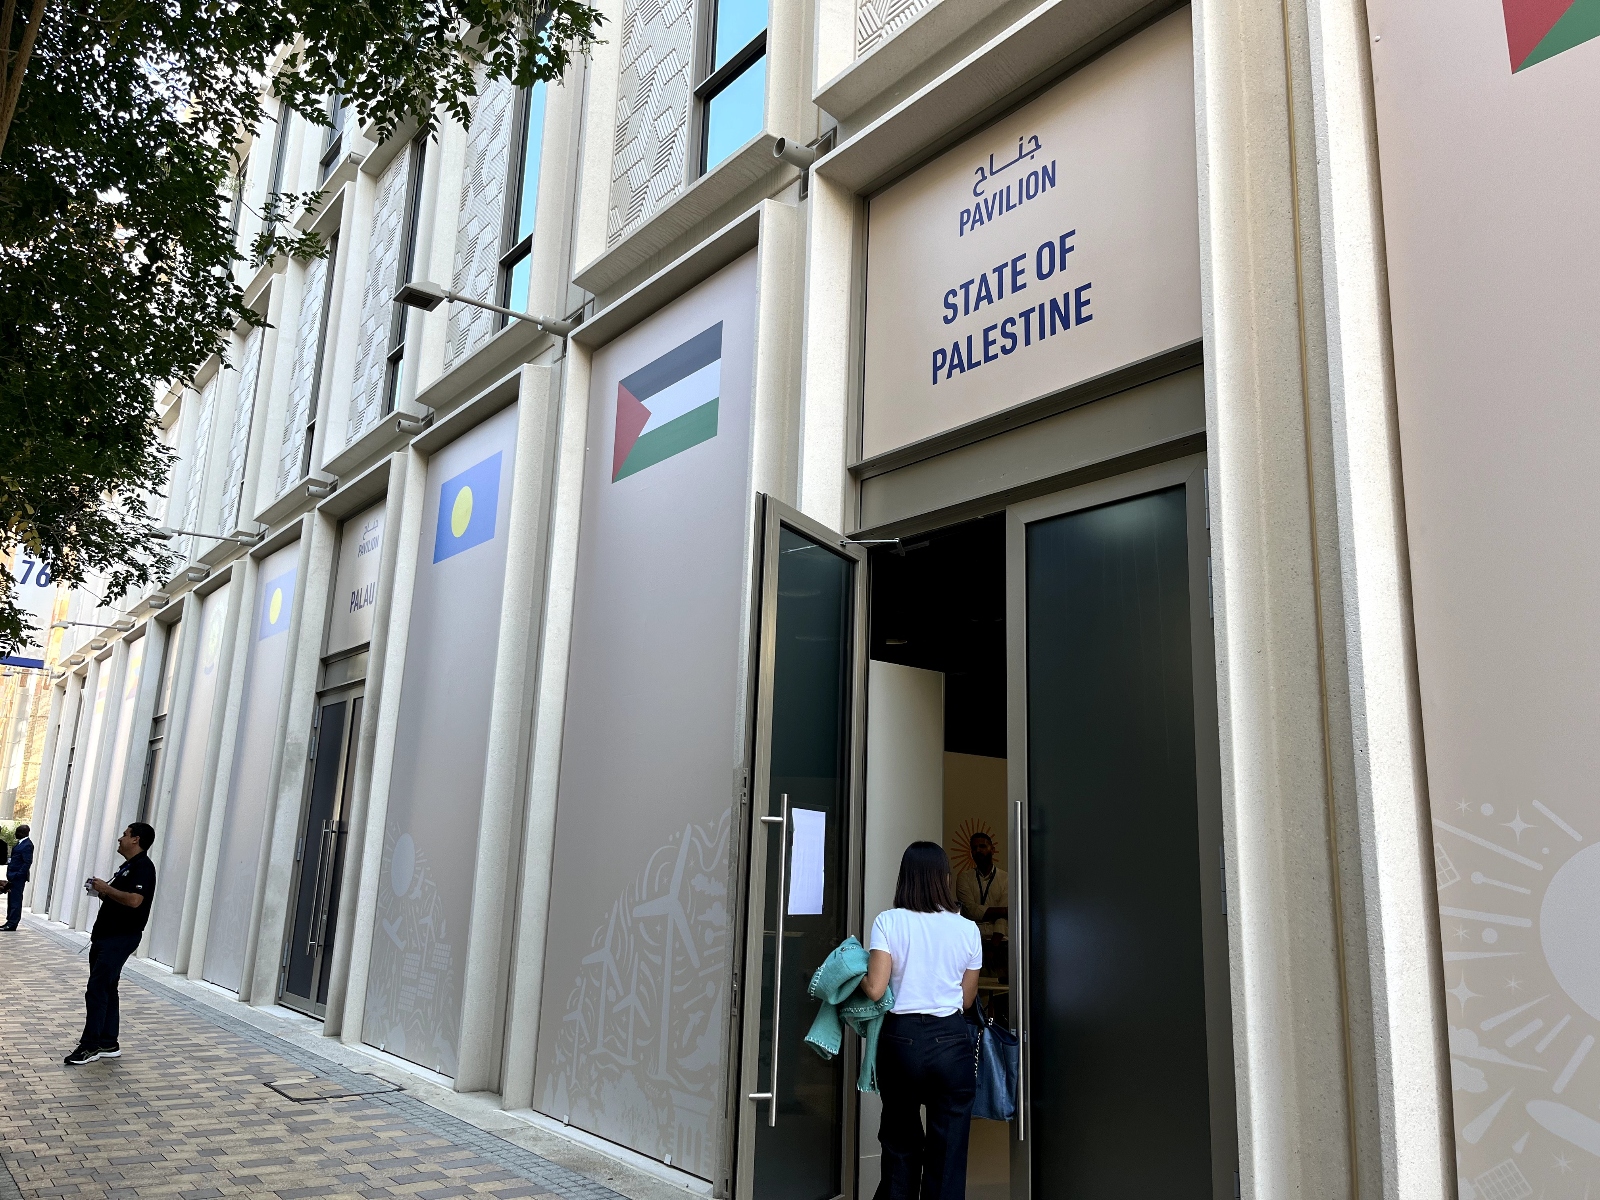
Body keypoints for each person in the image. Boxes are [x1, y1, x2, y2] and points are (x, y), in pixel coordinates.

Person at [860, 841, 982, 1200]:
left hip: (901, 1041)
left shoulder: (888, 921)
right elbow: (968, 998)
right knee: (948, 1153)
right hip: (951, 1041)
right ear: (944, 878)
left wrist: (856, 972)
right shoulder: (968, 929)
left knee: (900, 1145)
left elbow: (876, 990)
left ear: (905, 878)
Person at [65, 823, 157, 1066]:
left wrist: (106, 888)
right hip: (106, 936)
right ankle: (108, 1042)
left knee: (96, 989)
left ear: (136, 839)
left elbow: (136, 900)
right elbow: (122, 897)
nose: (120, 839)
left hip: (120, 938)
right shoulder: (127, 867)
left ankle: (89, 1046)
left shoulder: (143, 868)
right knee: (107, 988)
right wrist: (103, 892)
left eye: (125, 835)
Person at [954, 832, 1008, 976]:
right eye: (974, 848)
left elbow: (1004, 918)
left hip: (1000, 943)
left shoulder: (1006, 879)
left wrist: (993, 945)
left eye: (982, 846)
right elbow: (971, 910)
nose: (978, 850)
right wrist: (1002, 911)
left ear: (992, 849)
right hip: (970, 943)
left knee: (1001, 992)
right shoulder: (964, 878)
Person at [1, 824, 31, 930]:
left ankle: (12, 923)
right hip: (13, 877)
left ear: (23, 833)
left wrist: (18, 875)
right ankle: (9, 921)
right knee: (11, 899)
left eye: (17, 832)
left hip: (18, 878)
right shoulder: (20, 843)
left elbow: (27, 862)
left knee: (16, 900)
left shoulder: (27, 845)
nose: (15, 834)